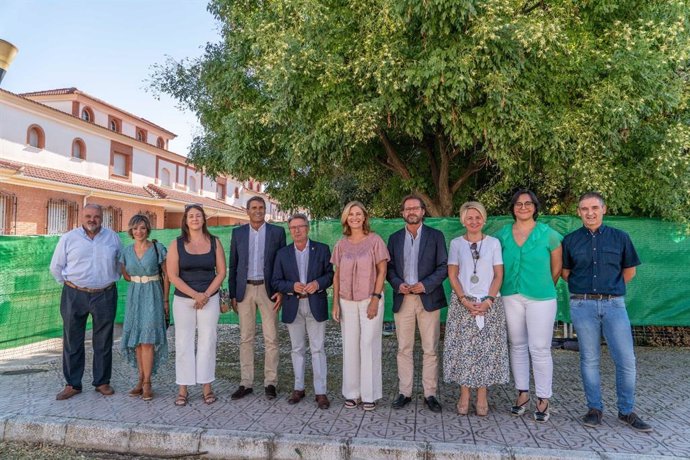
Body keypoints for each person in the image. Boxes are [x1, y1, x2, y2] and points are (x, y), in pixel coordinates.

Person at [562, 192, 651, 432]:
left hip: (614, 305)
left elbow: (629, 272)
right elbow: (566, 273)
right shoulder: (570, 241)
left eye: (594, 208)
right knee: (589, 359)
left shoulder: (620, 238)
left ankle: (626, 411)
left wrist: (608, 290)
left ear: (604, 209)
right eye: (584, 209)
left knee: (626, 359)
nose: (589, 213)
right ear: (578, 212)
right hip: (583, 305)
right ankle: (594, 409)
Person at [495, 189, 562, 423]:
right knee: (517, 345)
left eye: (528, 203)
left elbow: (557, 268)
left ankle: (543, 398)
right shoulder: (502, 234)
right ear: (512, 208)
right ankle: (522, 393)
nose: (523, 207)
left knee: (540, 347)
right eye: (518, 204)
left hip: (541, 298)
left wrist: (542, 286)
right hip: (510, 295)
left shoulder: (549, 234)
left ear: (535, 207)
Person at [50, 204, 123, 400]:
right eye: (88, 216)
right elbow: (56, 267)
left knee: (104, 340)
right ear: (81, 217)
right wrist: (70, 285)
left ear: (102, 218)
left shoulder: (113, 238)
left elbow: (120, 263)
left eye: (96, 216)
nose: (92, 219)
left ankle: (102, 382)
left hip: (105, 294)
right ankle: (73, 384)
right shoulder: (68, 238)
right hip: (74, 294)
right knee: (72, 340)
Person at [444, 202, 508, 416]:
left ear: (484, 219)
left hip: (489, 303)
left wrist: (489, 300)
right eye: (469, 218)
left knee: (485, 351)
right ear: (463, 220)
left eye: (478, 217)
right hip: (463, 303)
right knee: (464, 351)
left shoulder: (493, 243)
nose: (474, 221)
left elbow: (498, 274)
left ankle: (482, 396)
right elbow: (453, 274)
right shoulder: (456, 244)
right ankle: (464, 394)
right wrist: (463, 299)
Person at [386, 195, 448, 413]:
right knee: (404, 348)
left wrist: (425, 285)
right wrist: (397, 283)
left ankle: (430, 394)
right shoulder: (394, 239)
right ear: (402, 213)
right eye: (407, 208)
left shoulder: (436, 236)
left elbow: (443, 267)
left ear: (423, 211)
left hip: (428, 298)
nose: (411, 211)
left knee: (430, 348)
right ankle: (405, 392)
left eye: (415, 208)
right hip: (403, 299)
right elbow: (389, 268)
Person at [331, 201, 389, 411]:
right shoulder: (341, 244)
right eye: (350, 214)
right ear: (346, 218)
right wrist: (335, 302)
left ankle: (369, 395)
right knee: (350, 346)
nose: (354, 217)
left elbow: (382, 271)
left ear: (364, 217)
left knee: (368, 344)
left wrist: (375, 298)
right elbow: (336, 275)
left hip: (369, 299)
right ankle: (352, 393)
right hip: (346, 301)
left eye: (358, 214)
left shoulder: (375, 241)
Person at [272, 213, 334, 409]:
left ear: (307, 228)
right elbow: (275, 281)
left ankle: (321, 392)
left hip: (315, 303)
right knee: (296, 349)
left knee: (318, 349)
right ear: (289, 230)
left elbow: (331, 275)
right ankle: (298, 388)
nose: (297, 230)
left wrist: (317, 283)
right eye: (293, 228)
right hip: (293, 305)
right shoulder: (283, 253)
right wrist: (291, 286)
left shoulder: (322, 249)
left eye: (301, 226)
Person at [167, 204, 226, 406]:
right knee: (183, 342)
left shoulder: (215, 242)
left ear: (203, 219)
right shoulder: (176, 244)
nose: (194, 219)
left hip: (210, 298)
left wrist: (206, 295)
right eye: (191, 216)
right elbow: (172, 275)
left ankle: (206, 386)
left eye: (198, 215)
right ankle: (183, 388)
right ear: (185, 220)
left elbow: (221, 272)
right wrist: (195, 295)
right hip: (183, 300)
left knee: (208, 341)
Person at [228, 196, 286, 400]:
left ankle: (271, 382)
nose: (258, 211)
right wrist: (233, 293)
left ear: (265, 210)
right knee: (246, 338)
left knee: (272, 338)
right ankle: (246, 383)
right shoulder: (238, 233)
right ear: (247, 211)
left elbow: (282, 264)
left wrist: (280, 291)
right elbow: (233, 265)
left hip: (268, 290)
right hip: (245, 290)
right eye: (254, 208)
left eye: (261, 207)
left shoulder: (277, 232)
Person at [119, 214, 169, 401]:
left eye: (142, 228)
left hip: (153, 295)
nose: (138, 231)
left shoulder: (158, 248)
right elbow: (125, 275)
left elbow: (168, 276)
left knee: (147, 340)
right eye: (135, 228)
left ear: (147, 229)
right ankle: (140, 379)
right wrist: (138, 281)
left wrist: (165, 300)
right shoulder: (126, 251)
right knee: (138, 340)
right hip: (134, 296)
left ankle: (148, 383)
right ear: (130, 231)